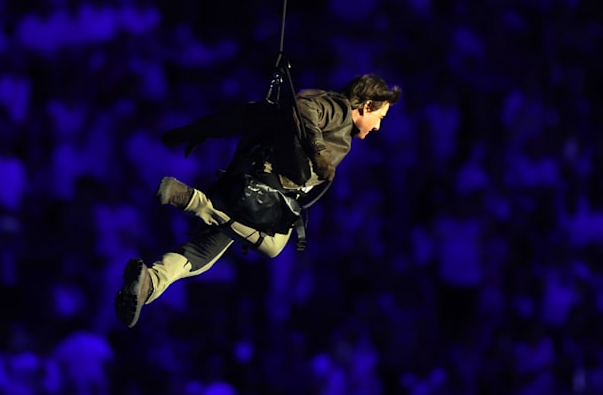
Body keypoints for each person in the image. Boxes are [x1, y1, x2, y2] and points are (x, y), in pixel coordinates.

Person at [115, 73, 401, 328]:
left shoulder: (341, 125)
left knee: (204, 253)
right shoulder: (337, 109)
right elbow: (302, 107)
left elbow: (258, 116)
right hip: (264, 188)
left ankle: (149, 284)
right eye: (381, 118)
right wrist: (318, 152)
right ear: (366, 106)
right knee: (274, 246)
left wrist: (199, 129)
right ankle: (193, 201)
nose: (378, 127)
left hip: (262, 188)